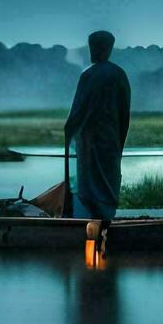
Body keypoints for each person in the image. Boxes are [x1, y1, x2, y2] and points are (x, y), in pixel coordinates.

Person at [63, 30, 131, 220]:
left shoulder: (89, 76)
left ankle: (89, 222)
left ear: (105, 49)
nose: (92, 51)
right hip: (110, 143)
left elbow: (76, 114)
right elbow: (125, 117)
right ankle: (105, 219)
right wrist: (119, 144)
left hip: (90, 145)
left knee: (89, 186)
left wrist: (69, 132)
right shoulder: (119, 75)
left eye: (95, 47)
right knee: (108, 182)